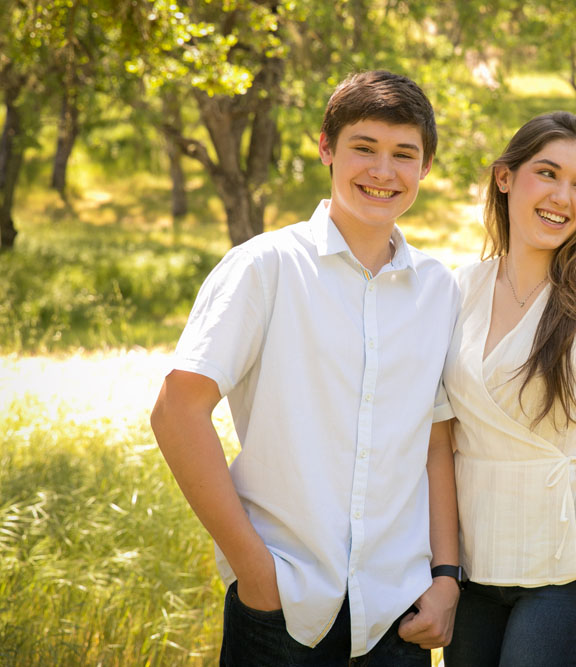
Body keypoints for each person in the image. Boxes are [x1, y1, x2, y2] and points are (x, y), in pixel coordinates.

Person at [150, 70, 463, 666]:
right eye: (363, 148)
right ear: (326, 147)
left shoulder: (438, 289)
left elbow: (436, 441)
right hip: (282, 605)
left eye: (404, 154)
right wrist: (254, 570)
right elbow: (176, 410)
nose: (383, 171)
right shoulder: (265, 267)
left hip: (397, 614)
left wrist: (445, 575)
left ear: (425, 167)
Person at [440, 111, 576, 667]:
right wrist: (443, 571)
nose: (564, 197)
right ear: (505, 177)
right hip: (476, 570)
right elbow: (438, 442)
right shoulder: (459, 289)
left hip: (571, 573)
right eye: (548, 173)